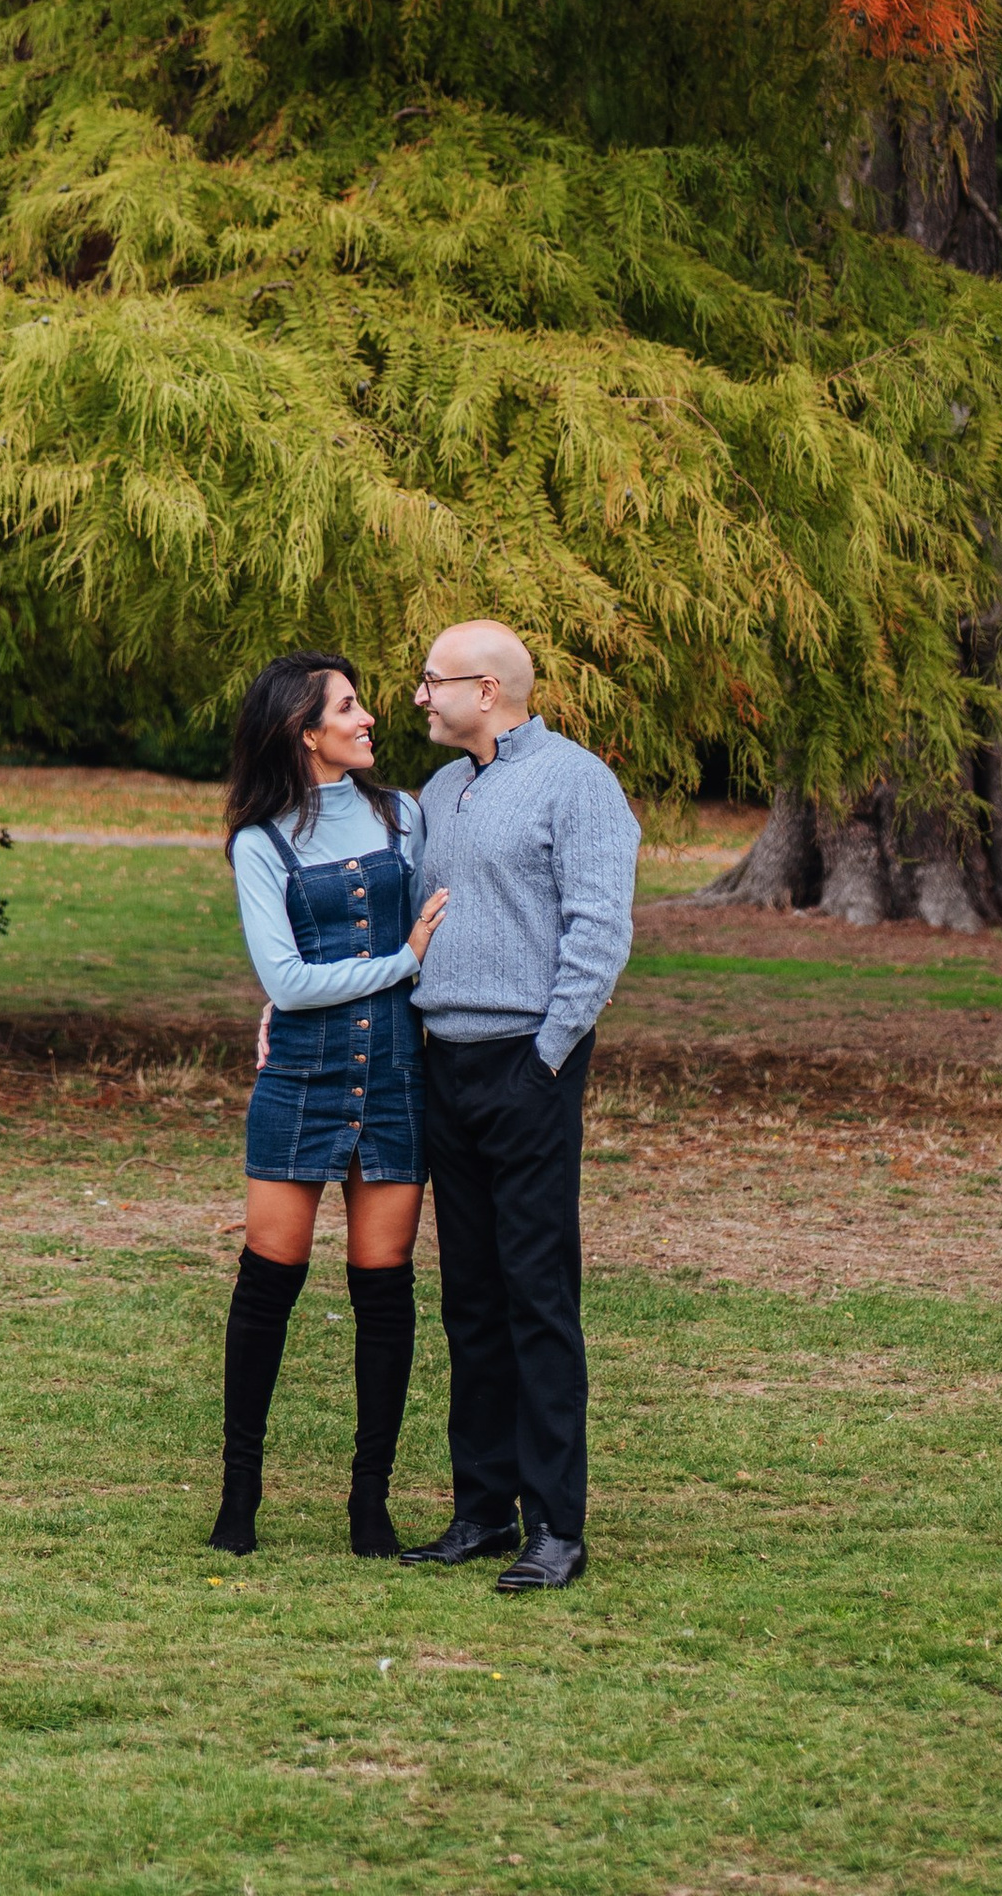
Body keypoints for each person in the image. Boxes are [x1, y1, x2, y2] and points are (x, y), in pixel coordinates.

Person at [398, 621, 640, 1594]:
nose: (417, 696)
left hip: (524, 1067)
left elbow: (598, 926)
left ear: (487, 689)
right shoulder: (439, 791)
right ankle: (481, 1510)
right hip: (442, 1066)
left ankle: (556, 1527)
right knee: (469, 1300)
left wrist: (546, 1057)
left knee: (536, 1295)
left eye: (430, 681)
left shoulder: (575, 782)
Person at [212, 649, 450, 1559]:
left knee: (384, 1293)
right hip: (300, 1081)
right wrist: (403, 962)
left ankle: (370, 1504)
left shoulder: (405, 816)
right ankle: (240, 1498)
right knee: (267, 1283)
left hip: (394, 1080)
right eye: (348, 708)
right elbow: (285, 977)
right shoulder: (259, 841)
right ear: (303, 733)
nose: (368, 719)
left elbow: (438, 911)